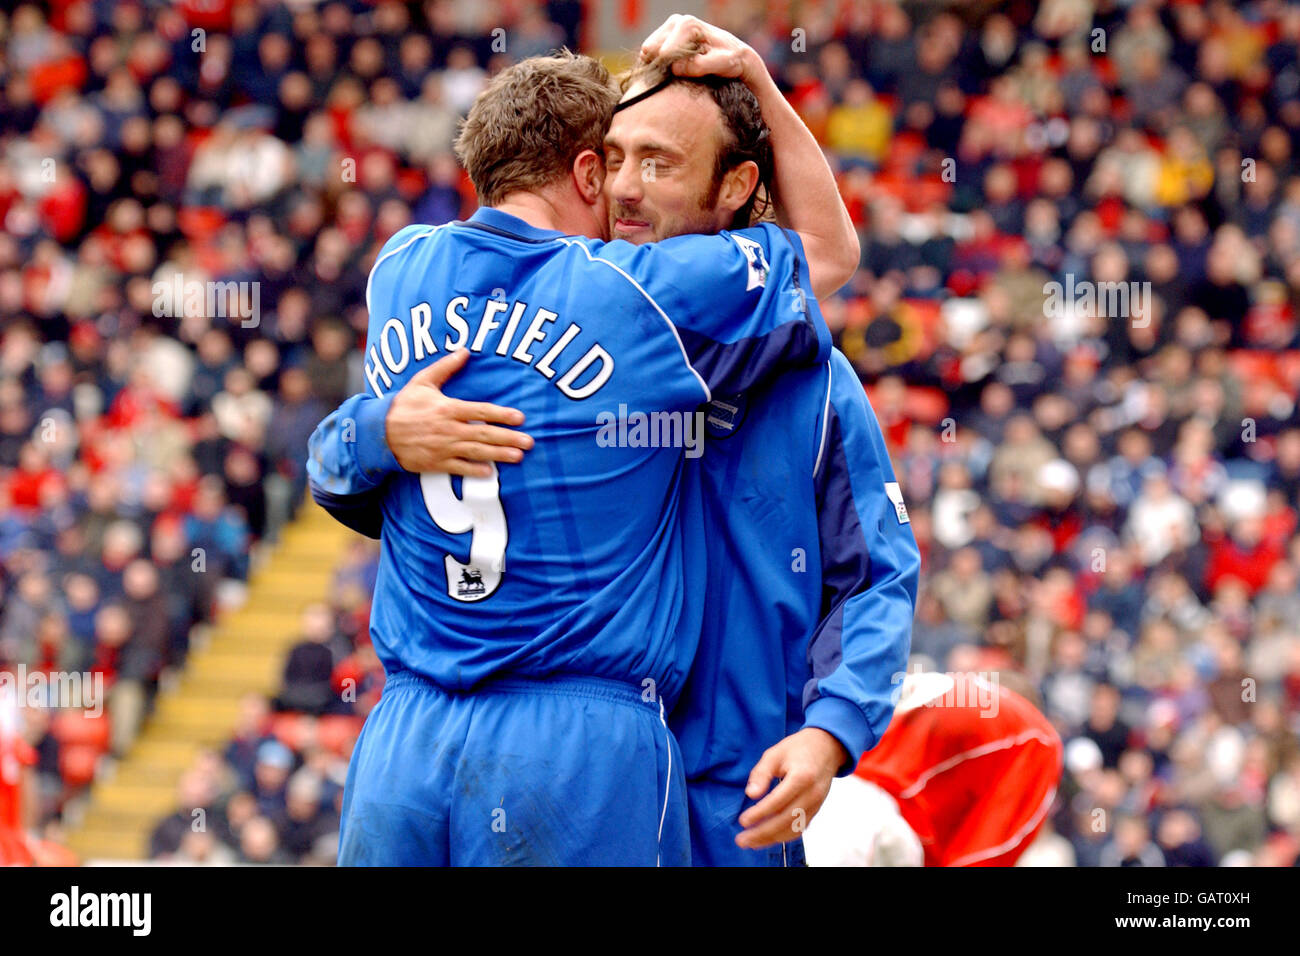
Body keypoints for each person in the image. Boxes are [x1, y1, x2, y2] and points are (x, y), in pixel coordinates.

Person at [314, 16, 918, 867]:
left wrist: (832, 731)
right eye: (617, 157)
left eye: (658, 163)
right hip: (579, 758)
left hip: (729, 800)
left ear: (738, 188)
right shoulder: (591, 303)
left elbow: (877, 579)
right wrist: (375, 429)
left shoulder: (810, 382)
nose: (626, 189)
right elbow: (347, 478)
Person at [802, 671, 1063, 866]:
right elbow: (994, 849)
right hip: (874, 827)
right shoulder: (1037, 737)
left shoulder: (951, 686)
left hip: (822, 791)